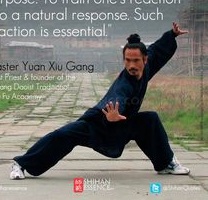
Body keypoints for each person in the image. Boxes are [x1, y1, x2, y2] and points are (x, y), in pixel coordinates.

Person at [10, 22, 190, 180]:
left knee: (150, 120)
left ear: (145, 59)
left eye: (136, 60)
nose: (132, 65)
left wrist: (171, 35)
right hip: (99, 123)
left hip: (123, 123)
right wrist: (111, 115)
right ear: (123, 60)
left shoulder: (148, 64)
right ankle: (21, 164)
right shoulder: (125, 83)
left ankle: (167, 163)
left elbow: (157, 48)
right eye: (127, 60)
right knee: (62, 136)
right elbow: (117, 96)